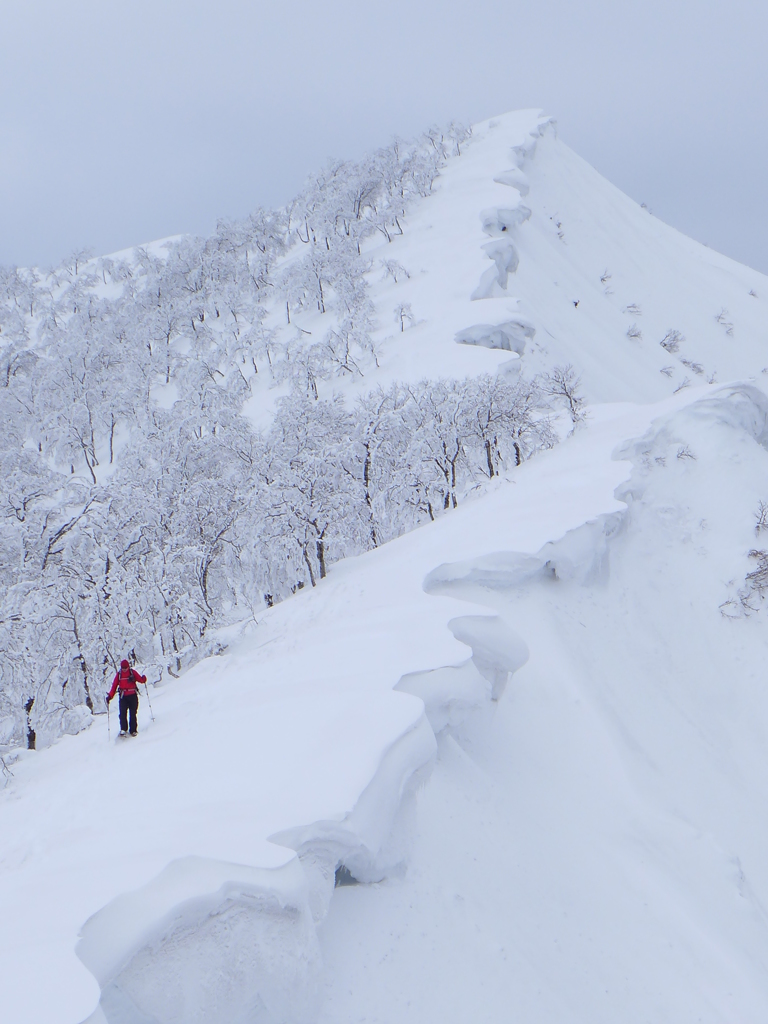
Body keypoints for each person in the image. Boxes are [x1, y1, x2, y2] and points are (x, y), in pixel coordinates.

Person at [106, 659, 147, 737]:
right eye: (123, 668)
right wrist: (110, 696)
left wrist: (143, 679)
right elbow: (114, 686)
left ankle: (133, 730)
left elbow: (141, 680)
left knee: (132, 713)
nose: (124, 669)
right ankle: (123, 729)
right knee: (122, 714)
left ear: (128, 667)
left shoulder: (132, 672)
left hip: (132, 696)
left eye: (125, 667)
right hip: (123, 697)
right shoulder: (119, 675)